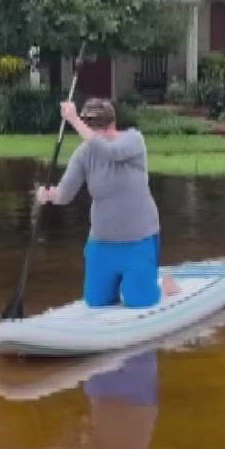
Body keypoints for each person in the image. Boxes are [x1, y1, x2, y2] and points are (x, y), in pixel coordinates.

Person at [36, 98, 179, 308]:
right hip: (102, 242)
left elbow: (111, 152)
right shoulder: (84, 154)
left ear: (111, 125)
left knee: (140, 302)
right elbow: (65, 194)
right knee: (96, 301)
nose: (91, 136)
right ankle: (126, 282)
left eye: (96, 129)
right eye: (89, 128)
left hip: (138, 240)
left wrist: (74, 120)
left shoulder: (133, 140)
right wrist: (49, 194)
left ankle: (162, 283)